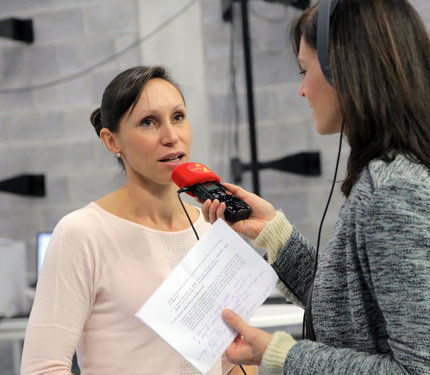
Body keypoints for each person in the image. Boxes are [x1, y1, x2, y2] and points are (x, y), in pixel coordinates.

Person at [201, 1, 430, 374]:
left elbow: (426, 371)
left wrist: (282, 355)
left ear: (346, 70)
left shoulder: (396, 195)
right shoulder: (416, 172)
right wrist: (273, 234)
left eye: (305, 70)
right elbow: (354, 307)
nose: (301, 90)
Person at [20, 66, 255, 375]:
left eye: (178, 117)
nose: (171, 137)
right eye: (148, 122)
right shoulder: (82, 233)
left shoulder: (212, 225)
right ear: (112, 141)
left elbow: (232, 359)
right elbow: (43, 368)